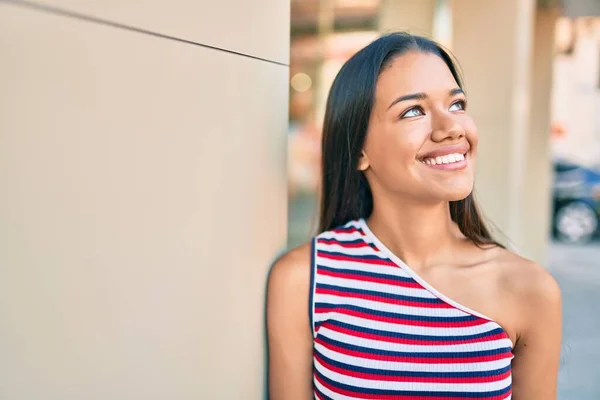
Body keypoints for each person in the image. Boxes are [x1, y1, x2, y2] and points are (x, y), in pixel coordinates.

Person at [267, 32, 562, 400]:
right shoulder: (303, 280)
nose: (451, 127)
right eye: (413, 111)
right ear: (360, 150)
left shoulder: (529, 289)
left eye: (457, 105)